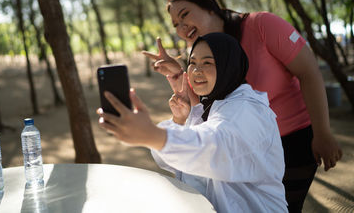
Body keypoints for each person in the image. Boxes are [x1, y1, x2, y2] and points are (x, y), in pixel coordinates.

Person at [143, 0, 343, 212]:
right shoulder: (202, 54)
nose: (181, 27)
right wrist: (179, 73)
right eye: (176, 24)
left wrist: (323, 132)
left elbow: (309, 71)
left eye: (185, 14)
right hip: (242, 147)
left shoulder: (262, 25)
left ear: (210, 7)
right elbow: (201, 107)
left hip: (294, 137)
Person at [97, 32, 287, 212]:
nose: (197, 70)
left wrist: (153, 135)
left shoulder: (246, 110)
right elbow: (181, 165)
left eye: (207, 63)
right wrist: (179, 121)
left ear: (229, 66)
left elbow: (211, 147)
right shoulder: (213, 104)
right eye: (192, 62)